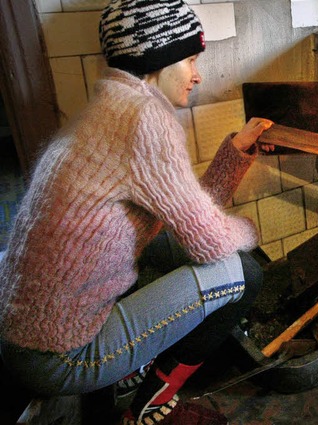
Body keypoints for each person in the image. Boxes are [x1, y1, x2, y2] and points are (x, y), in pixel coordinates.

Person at [0, 0, 276, 423]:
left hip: (25, 335)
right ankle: (149, 407)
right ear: (158, 60)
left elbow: (183, 215)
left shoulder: (110, 109)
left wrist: (235, 151)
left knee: (168, 248)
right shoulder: (143, 118)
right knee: (243, 271)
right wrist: (253, 232)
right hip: (62, 355)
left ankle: (131, 370)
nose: (197, 74)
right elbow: (210, 240)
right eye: (189, 59)